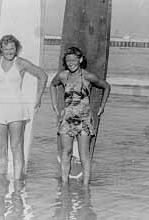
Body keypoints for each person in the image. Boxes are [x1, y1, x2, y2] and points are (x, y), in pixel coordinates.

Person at [0, 35, 48, 180]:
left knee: (16, 147)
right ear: (0, 49)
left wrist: (38, 97)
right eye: (6, 48)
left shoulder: (21, 63)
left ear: (16, 49)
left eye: (12, 48)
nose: (9, 51)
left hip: (16, 109)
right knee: (0, 148)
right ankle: (1, 181)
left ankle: (17, 183)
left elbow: (43, 75)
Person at [50, 47, 110, 186]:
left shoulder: (88, 76)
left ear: (80, 60)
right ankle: (64, 183)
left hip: (84, 119)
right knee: (66, 152)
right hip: (67, 118)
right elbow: (52, 85)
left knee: (84, 154)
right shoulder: (63, 76)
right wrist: (54, 105)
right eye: (67, 60)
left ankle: (85, 185)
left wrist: (102, 106)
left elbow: (106, 86)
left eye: (73, 60)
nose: (70, 63)